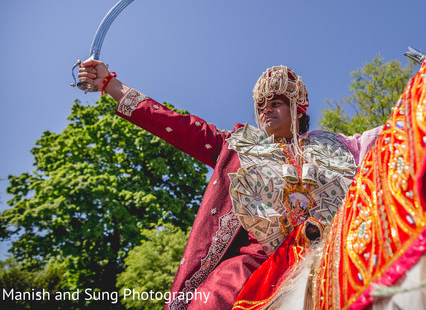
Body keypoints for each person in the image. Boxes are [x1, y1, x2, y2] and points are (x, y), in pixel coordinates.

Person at [78, 62, 381, 309]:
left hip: (336, 249)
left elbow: (393, 133)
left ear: (298, 110)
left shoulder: (340, 147)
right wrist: (109, 84)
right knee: (210, 299)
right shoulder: (239, 146)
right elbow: (174, 123)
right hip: (259, 262)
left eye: (276, 103)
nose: (266, 110)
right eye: (261, 105)